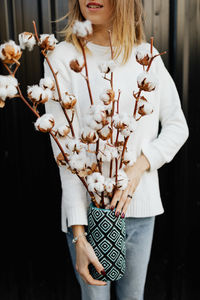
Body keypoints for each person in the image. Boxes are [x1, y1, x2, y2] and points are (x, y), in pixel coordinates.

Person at [44, 0, 189, 299]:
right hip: (88, 215)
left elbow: (177, 126)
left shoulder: (146, 57)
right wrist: (78, 234)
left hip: (139, 212)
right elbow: (67, 155)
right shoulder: (62, 57)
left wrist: (139, 167)